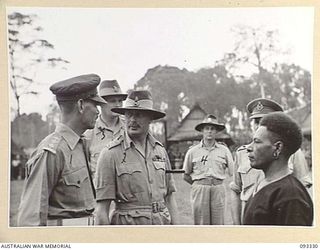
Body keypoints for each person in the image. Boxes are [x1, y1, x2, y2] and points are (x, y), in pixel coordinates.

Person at [17, 74, 107, 226]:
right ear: (80, 105)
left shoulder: (80, 144)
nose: (98, 112)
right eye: (95, 105)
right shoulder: (52, 151)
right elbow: (29, 219)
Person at [95, 90, 179, 225]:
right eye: (129, 115)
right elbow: (101, 211)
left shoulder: (160, 151)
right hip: (128, 229)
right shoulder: (110, 153)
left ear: (150, 118)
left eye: (139, 115)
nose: (133, 120)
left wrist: (176, 233)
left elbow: (169, 197)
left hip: (161, 225)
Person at [229, 98, 312, 225]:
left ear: (278, 148)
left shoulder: (291, 194)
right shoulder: (243, 153)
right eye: (257, 122)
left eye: (265, 121)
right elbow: (236, 190)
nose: (258, 126)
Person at [183, 114, 234, 225]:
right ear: (202, 130)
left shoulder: (224, 150)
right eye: (207, 128)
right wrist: (199, 184)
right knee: (202, 224)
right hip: (200, 189)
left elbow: (232, 172)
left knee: (218, 224)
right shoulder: (193, 151)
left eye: (212, 129)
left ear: (216, 131)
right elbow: (185, 175)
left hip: (218, 188)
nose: (209, 131)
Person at [84, 80, 127, 179]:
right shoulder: (89, 133)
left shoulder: (129, 128)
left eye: (120, 101)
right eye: (112, 101)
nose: (118, 105)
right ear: (100, 104)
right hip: (100, 191)